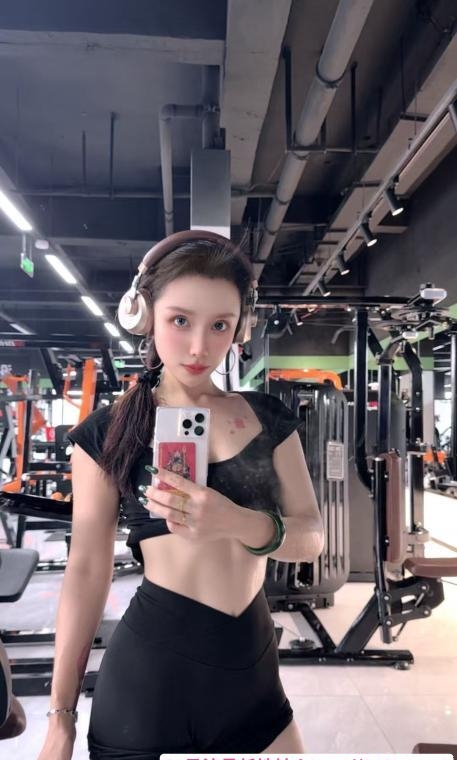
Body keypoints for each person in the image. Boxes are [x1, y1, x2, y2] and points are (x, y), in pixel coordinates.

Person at [37, 230, 324, 760]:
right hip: (148, 685)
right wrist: (60, 719)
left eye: (220, 325)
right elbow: (87, 570)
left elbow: (311, 538)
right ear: (146, 317)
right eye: (180, 321)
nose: (199, 347)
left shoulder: (268, 418)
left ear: (241, 326)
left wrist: (236, 521)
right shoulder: (110, 431)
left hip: (254, 680)